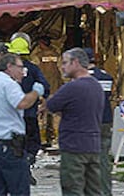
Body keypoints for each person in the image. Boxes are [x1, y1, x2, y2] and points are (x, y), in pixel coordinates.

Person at [40, 47, 105, 195]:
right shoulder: (96, 86)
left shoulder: (71, 87)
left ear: (75, 62)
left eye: (64, 63)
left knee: (72, 188)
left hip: (74, 146)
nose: (62, 67)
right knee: (94, 190)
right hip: (93, 144)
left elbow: (50, 106)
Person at [0, 53, 45, 196]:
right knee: (19, 189)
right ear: (9, 67)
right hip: (8, 146)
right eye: (20, 67)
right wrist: (36, 92)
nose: (23, 71)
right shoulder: (8, 84)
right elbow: (22, 103)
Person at [7, 34, 50, 185]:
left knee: (15, 145)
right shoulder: (33, 69)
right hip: (30, 113)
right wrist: (42, 99)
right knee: (33, 143)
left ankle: (19, 172)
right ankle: (27, 166)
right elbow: (45, 86)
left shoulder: (6, 71)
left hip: (11, 116)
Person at [84, 47, 114, 196]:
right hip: (105, 120)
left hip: (88, 122)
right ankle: (106, 192)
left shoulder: (81, 78)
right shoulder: (106, 77)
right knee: (103, 160)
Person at [32, 36, 63, 147]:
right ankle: (56, 139)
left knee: (41, 114)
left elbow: (35, 72)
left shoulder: (37, 57)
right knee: (56, 115)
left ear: (41, 43)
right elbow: (62, 72)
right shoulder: (57, 56)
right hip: (56, 88)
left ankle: (43, 139)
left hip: (42, 89)